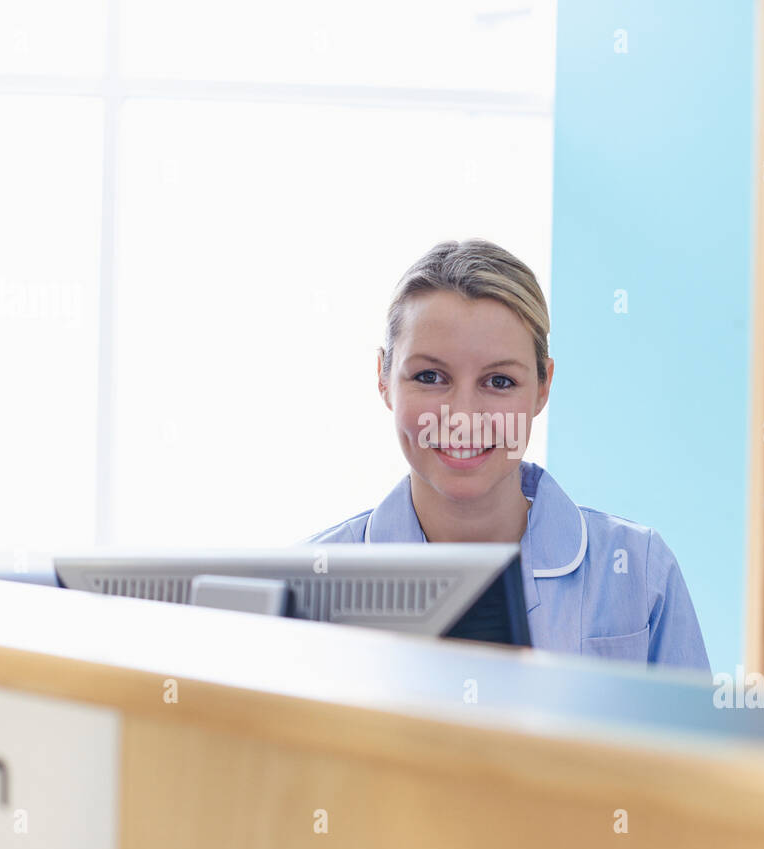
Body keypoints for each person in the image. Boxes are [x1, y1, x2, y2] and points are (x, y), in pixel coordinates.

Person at [304, 239, 709, 671]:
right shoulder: (313, 582)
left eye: (498, 382)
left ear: (543, 386)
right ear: (384, 380)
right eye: (429, 376)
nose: (462, 416)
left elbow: (695, 740)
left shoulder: (640, 572)